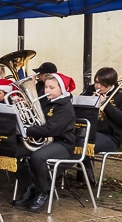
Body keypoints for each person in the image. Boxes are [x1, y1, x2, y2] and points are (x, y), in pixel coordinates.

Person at [13, 73, 76, 213]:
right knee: (12, 153)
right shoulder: (46, 100)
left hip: (63, 144)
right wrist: (22, 105)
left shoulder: (65, 107)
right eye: (46, 87)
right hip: (44, 141)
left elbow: (51, 129)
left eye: (51, 87)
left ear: (62, 89)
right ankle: (30, 186)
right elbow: (36, 118)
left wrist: (27, 130)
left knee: (38, 157)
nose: (46, 90)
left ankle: (43, 192)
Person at [81, 67, 122, 183]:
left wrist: (106, 104)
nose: (98, 87)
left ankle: (87, 174)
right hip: (89, 131)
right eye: (96, 82)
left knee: (83, 142)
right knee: (70, 139)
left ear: (111, 84)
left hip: (111, 137)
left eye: (103, 84)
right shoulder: (89, 91)